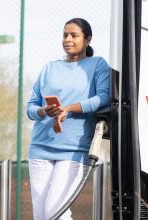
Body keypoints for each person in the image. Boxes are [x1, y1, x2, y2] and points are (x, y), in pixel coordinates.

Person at [26, 18, 110, 220]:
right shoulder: (49, 68)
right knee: (41, 215)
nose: (68, 39)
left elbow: (104, 97)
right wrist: (44, 111)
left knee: (56, 212)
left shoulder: (97, 65)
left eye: (74, 35)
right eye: (65, 35)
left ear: (87, 39)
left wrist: (70, 108)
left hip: (74, 150)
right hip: (40, 148)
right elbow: (31, 107)